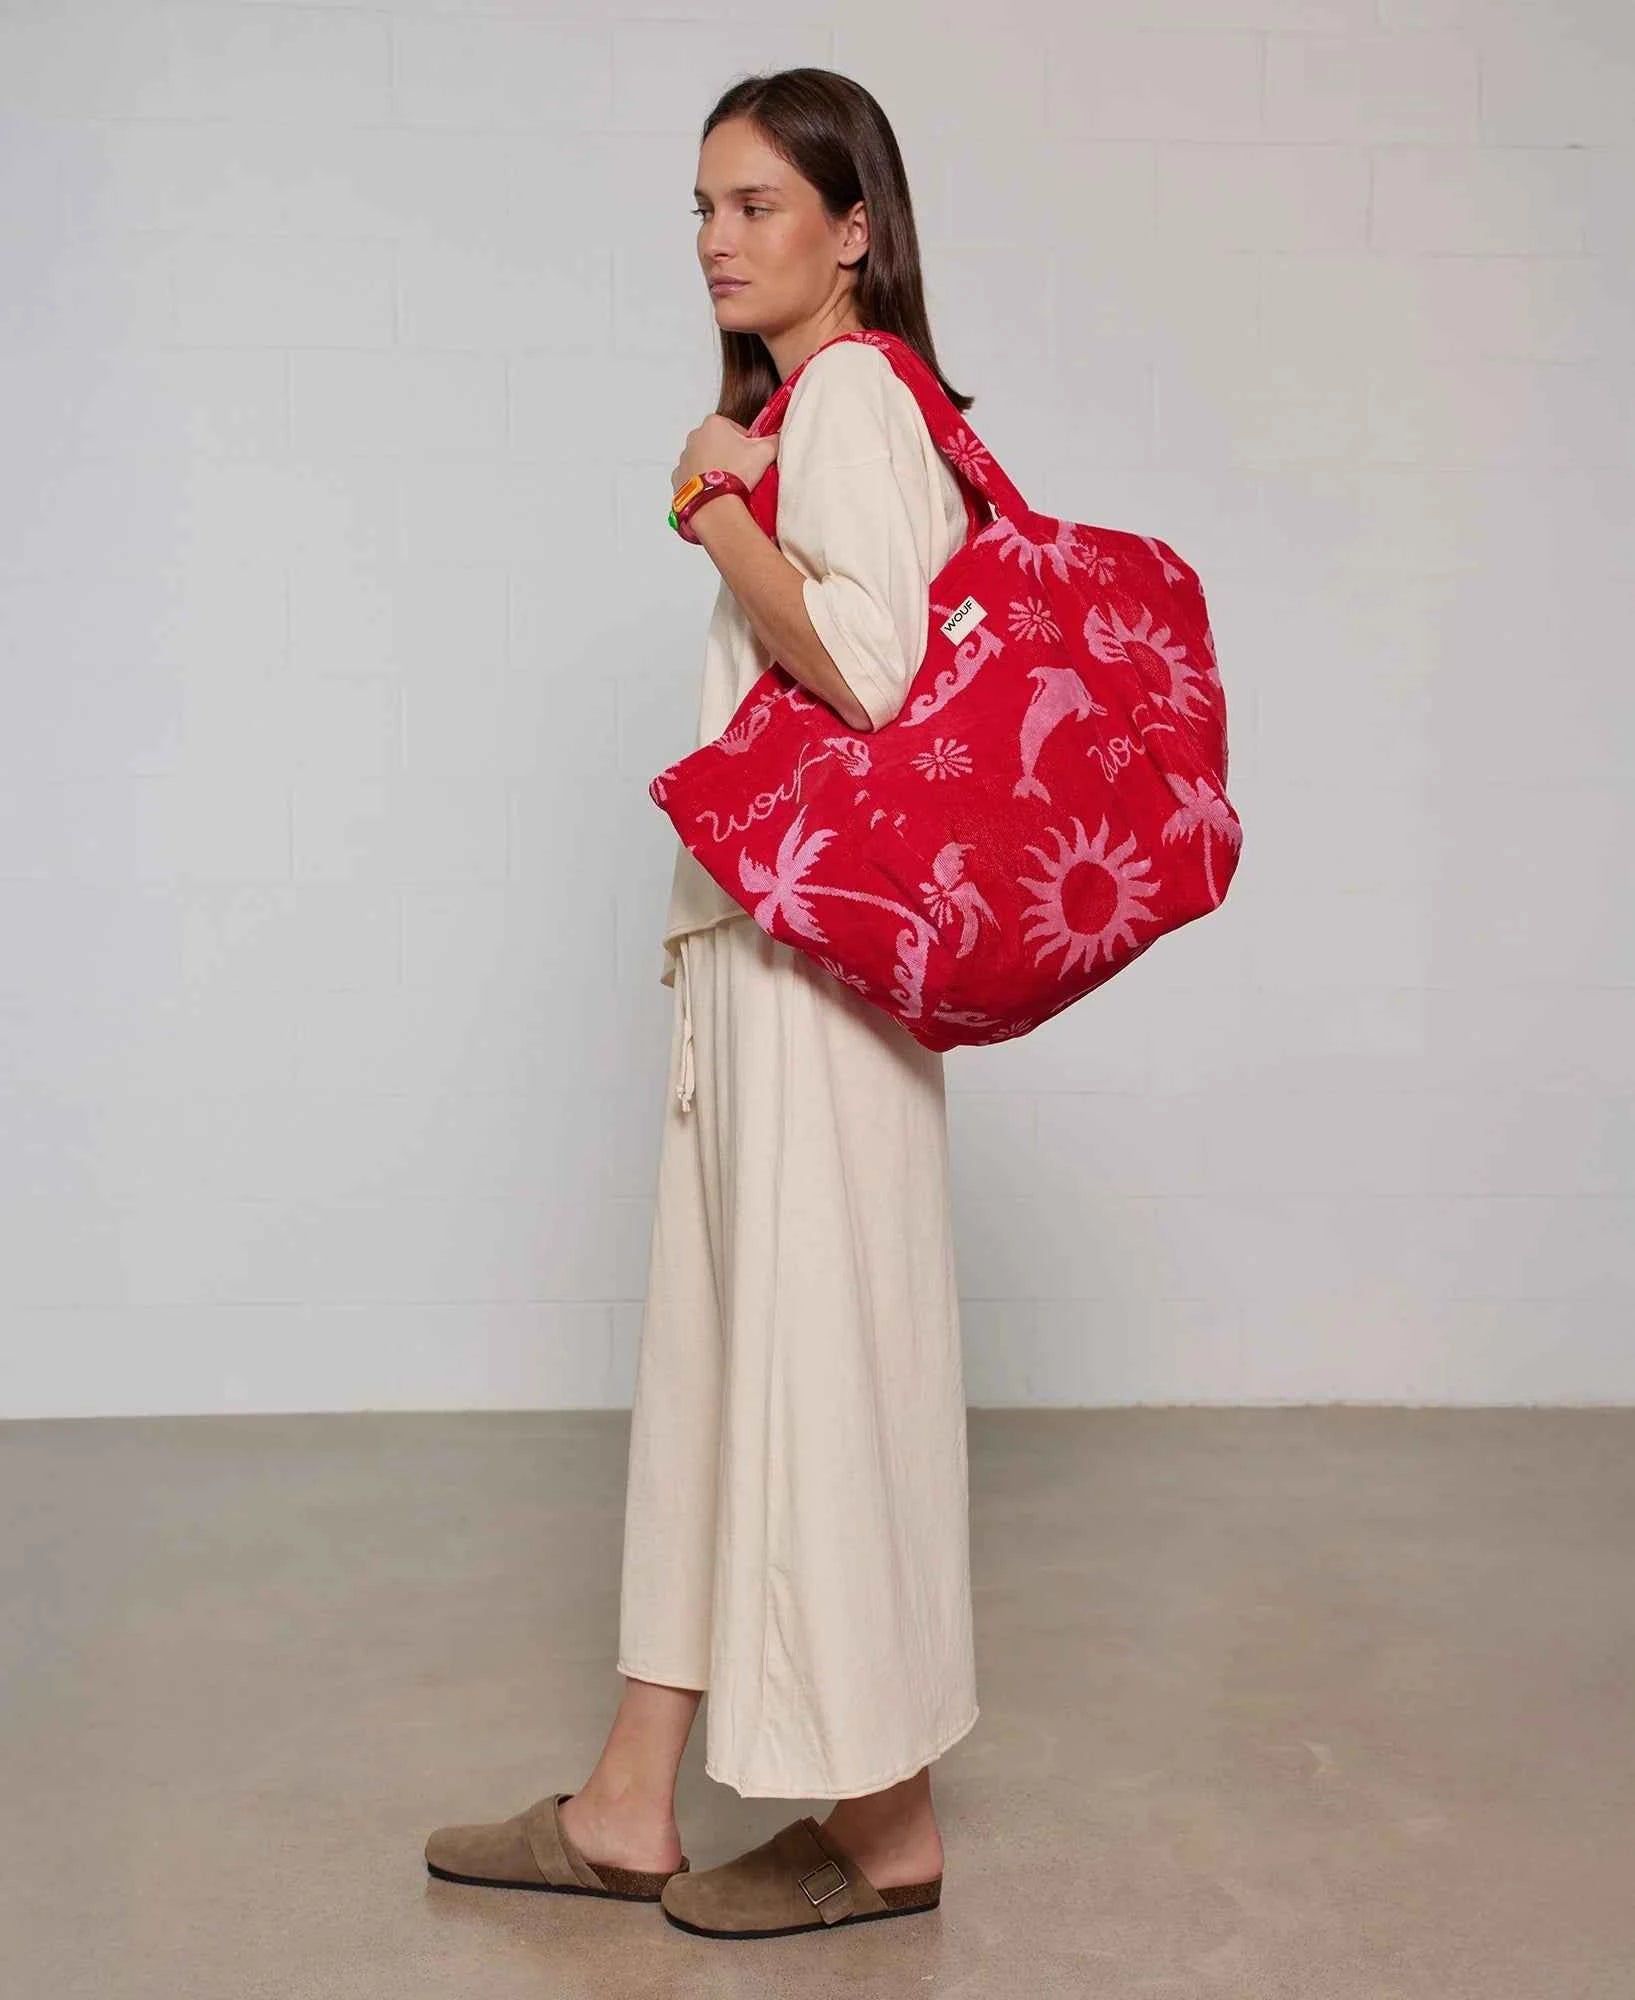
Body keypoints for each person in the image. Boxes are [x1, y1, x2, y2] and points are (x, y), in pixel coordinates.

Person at [425, 67, 980, 1941]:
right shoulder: (806, 407)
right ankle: (629, 1798)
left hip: (815, 980)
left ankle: (886, 1827)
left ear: (857, 231)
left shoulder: (854, 401)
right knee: (728, 1365)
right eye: (701, 207)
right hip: (755, 963)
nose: (718, 241)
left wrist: (712, 502)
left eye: (756, 206)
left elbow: (880, 676)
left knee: (815, 1363)